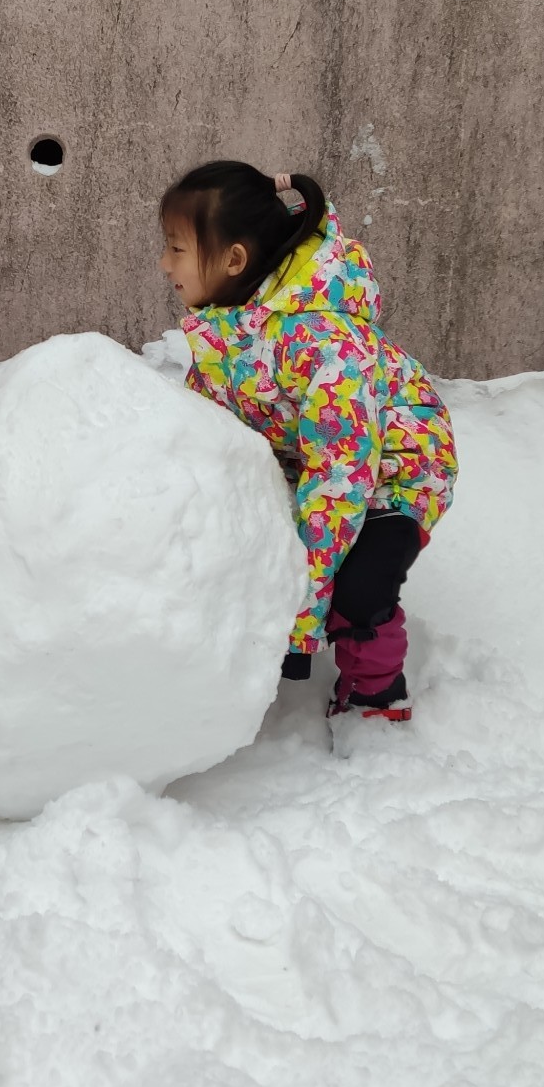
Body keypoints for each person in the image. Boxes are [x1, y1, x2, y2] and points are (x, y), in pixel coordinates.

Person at [159, 161, 457, 725]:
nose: (164, 263)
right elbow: (208, 428)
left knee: (357, 590)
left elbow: (341, 475)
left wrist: (303, 607)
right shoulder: (229, 327)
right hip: (313, 461)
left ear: (234, 260)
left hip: (395, 473)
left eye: (176, 248)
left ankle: (375, 695)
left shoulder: (324, 343)